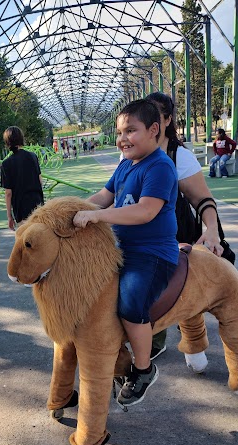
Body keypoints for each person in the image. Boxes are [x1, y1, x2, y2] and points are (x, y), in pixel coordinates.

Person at [73, 99, 179, 407]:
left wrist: (97, 217)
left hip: (151, 254)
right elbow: (104, 197)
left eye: (131, 130)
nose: (123, 139)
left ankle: (143, 369)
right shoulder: (124, 165)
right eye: (120, 132)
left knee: (131, 305)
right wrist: (71, 210)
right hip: (120, 250)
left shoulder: (160, 166)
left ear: (154, 130)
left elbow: (145, 211)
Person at [145, 92, 224, 360]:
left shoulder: (180, 157)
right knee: (146, 292)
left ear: (167, 120)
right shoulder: (131, 155)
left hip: (176, 239)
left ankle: (192, 342)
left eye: (155, 115)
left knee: (183, 296)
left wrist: (211, 230)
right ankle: (153, 340)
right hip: (142, 241)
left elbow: (202, 200)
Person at [0, 126, 44, 230]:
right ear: (21, 138)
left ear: (7, 142)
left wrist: (9, 216)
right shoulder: (33, 156)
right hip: (38, 204)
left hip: (21, 208)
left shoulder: (6, 164)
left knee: (25, 241)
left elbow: (8, 193)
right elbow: (40, 181)